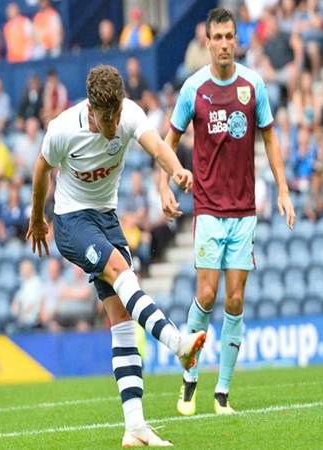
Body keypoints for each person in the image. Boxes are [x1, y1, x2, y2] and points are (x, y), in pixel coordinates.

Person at [26, 64, 206, 447]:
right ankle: (177, 343)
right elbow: (41, 168)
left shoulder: (128, 114)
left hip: (106, 218)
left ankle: (135, 427)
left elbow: (157, 146)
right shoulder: (63, 129)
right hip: (72, 222)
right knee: (121, 270)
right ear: (91, 109)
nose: (115, 122)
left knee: (122, 320)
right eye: (108, 117)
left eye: (118, 113)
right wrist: (38, 218)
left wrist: (177, 171)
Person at [162, 8, 295, 416]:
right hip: (207, 207)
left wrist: (284, 191)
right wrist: (163, 186)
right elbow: (168, 141)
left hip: (244, 209)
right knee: (206, 293)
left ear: (237, 40)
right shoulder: (194, 89)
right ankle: (189, 379)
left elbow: (270, 139)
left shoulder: (253, 85)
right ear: (207, 42)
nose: (223, 44)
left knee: (235, 300)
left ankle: (222, 393)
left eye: (229, 37)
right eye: (216, 37)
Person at [11, 259, 44, 329]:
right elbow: (17, 299)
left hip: (31, 320)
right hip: (23, 319)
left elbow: (31, 304)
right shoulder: (25, 283)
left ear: (30, 269)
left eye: (23, 269)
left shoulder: (35, 282)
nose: (22, 271)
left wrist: (22, 316)